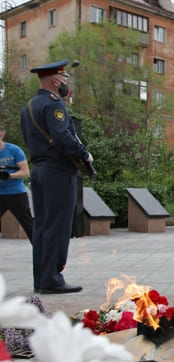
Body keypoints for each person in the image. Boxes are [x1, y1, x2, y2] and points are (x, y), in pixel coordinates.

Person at [20, 59, 92, 294]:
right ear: (55, 82)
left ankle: (42, 279)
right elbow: (62, 136)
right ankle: (53, 279)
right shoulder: (54, 104)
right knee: (58, 226)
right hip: (58, 171)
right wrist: (84, 154)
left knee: (42, 226)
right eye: (64, 80)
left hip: (39, 170)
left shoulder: (30, 106)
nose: (66, 84)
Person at [0, 125, 33, 243]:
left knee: (28, 225)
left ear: (1, 135)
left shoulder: (14, 150)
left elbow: (26, 172)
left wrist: (8, 176)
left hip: (15, 193)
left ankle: (41, 251)